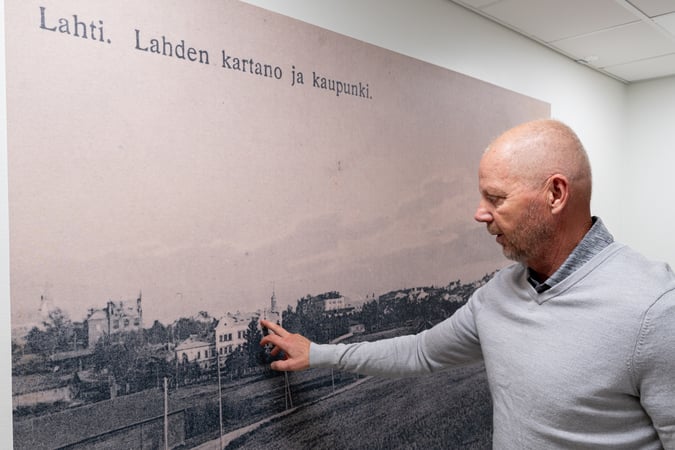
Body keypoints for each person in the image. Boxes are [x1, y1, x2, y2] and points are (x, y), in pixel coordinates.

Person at [260, 119, 675, 449]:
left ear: (555, 194)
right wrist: (318, 353)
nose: (480, 213)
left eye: (496, 198)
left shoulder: (655, 310)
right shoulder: (497, 295)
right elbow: (420, 351)